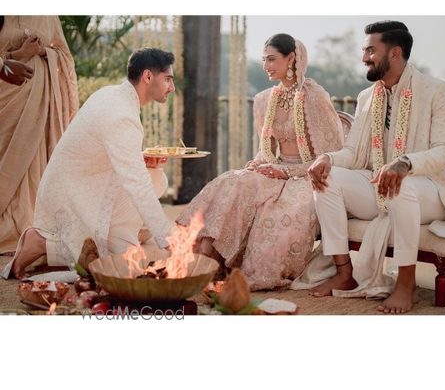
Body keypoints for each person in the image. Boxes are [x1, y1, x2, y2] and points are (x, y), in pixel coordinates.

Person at [177, 34, 344, 290]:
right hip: (274, 168)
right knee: (233, 182)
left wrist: (287, 172)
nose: (266, 66)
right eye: (264, 59)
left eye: (272, 59)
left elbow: (331, 155)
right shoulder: (264, 99)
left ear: (292, 58)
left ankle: (247, 275)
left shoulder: (314, 95)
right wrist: (259, 165)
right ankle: (205, 259)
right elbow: (265, 150)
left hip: (308, 176)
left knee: (277, 215)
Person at [307, 21, 445, 314]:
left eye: (371, 50)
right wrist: (327, 159)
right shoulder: (366, 97)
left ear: (395, 53)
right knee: (327, 178)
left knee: (402, 183)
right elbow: (353, 152)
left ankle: (406, 283)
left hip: (430, 188)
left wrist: (406, 163)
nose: (364, 58)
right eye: (364, 51)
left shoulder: (438, 91)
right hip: (378, 185)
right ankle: (344, 271)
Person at [2, 48, 176, 279]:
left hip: (76, 184)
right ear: (147, 77)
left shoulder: (112, 95)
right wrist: (168, 240)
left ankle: (117, 236)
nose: (172, 88)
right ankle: (42, 242)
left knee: (156, 177)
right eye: (167, 79)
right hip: (70, 195)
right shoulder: (122, 115)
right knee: (146, 183)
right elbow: (137, 184)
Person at [0, 16, 79, 254]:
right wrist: (17, 55)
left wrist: (43, 51)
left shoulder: (47, 12)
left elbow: (64, 55)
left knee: (31, 165)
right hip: (5, 99)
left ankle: (28, 226)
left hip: (37, 103)